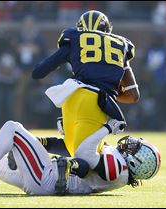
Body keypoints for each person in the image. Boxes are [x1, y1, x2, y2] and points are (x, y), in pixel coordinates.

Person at [0, 119, 161, 195]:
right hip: (48, 176)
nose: (130, 145)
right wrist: (67, 134)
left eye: (136, 149)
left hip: (47, 178)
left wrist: (106, 128)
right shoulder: (116, 167)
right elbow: (71, 152)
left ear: (138, 162)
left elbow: (83, 156)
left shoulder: (117, 168)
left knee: (11, 127)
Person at [32, 10, 140, 156]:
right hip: (98, 101)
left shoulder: (74, 38)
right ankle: (62, 170)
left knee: (71, 146)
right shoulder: (121, 44)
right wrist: (113, 92)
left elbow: (39, 72)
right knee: (87, 157)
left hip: (72, 95)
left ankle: (29, 144)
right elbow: (133, 95)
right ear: (108, 30)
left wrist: (66, 59)